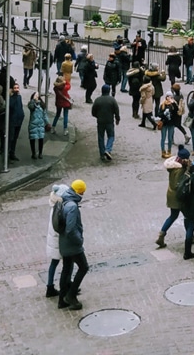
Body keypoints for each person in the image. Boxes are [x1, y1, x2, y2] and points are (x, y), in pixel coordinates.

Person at [58, 179, 89, 310]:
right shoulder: (72, 206)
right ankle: (71, 296)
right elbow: (70, 229)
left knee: (66, 269)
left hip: (64, 242)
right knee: (83, 267)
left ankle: (62, 300)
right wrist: (79, 240)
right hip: (72, 244)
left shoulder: (65, 200)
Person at [156, 144, 191, 248]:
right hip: (179, 197)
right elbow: (179, 184)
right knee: (187, 216)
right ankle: (190, 236)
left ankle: (161, 235)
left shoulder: (173, 167)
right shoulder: (180, 170)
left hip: (171, 195)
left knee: (173, 216)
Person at [45, 183, 71, 298]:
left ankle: (50, 286)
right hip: (58, 241)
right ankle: (67, 285)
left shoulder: (53, 207)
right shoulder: (59, 209)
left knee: (54, 263)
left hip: (53, 240)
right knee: (68, 264)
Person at [91, 83, 120, 162]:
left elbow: (93, 112)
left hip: (100, 122)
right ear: (109, 91)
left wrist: (98, 116)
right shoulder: (112, 100)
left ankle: (102, 154)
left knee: (100, 137)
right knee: (111, 136)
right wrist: (117, 119)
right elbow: (116, 110)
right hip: (109, 121)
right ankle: (108, 149)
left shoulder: (97, 100)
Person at [28, 91, 49, 159]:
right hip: (33, 124)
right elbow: (31, 107)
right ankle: (33, 153)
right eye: (35, 95)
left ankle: (40, 153)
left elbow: (45, 115)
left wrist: (47, 123)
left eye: (37, 95)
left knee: (41, 139)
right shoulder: (31, 103)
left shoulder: (42, 105)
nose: (37, 97)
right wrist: (34, 100)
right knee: (32, 139)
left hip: (40, 124)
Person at [8, 82, 25, 161]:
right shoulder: (11, 98)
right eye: (15, 88)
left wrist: (22, 115)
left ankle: (12, 153)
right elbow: (10, 106)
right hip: (12, 120)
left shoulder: (19, 97)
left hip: (19, 120)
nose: (16, 89)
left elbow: (20, 107)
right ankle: (8, 152)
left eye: (17, 88)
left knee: (15, 138)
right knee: (11, 138)